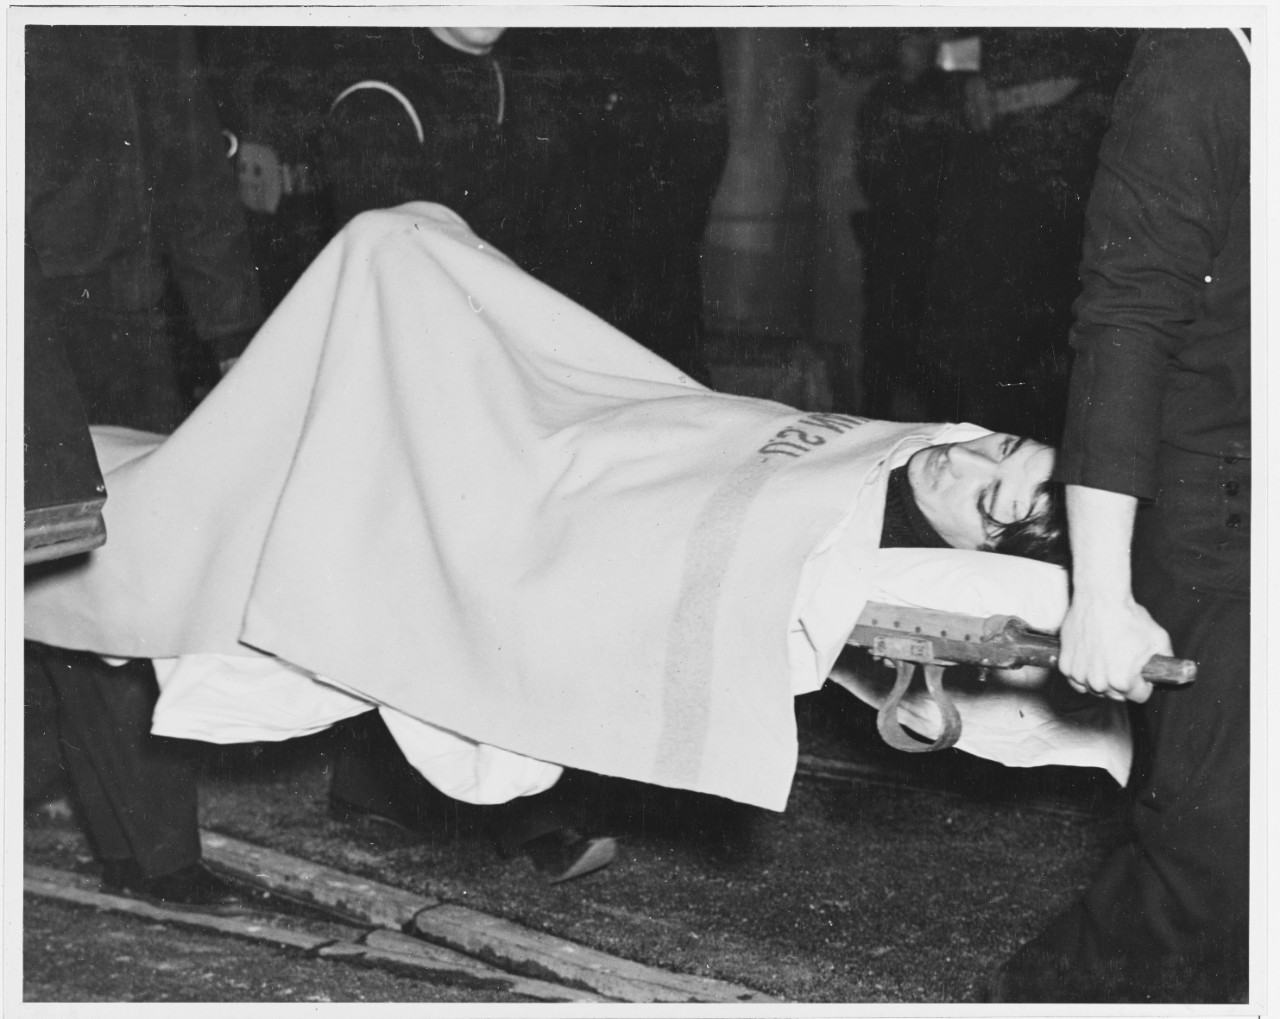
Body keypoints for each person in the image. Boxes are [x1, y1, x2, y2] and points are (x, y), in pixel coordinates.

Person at [990, 28, 1250, 1003]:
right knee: (1214, 876)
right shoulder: (1211, 52)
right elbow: (1124, 324)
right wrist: (1099, 591)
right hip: (1225, 517)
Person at [25, 24, 264, 908]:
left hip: (124, 322)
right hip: (32, 324)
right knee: (65, 573)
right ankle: (147, 847)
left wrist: (234, 333)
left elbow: (190, 153)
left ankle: (146, 845)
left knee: (119, 579)